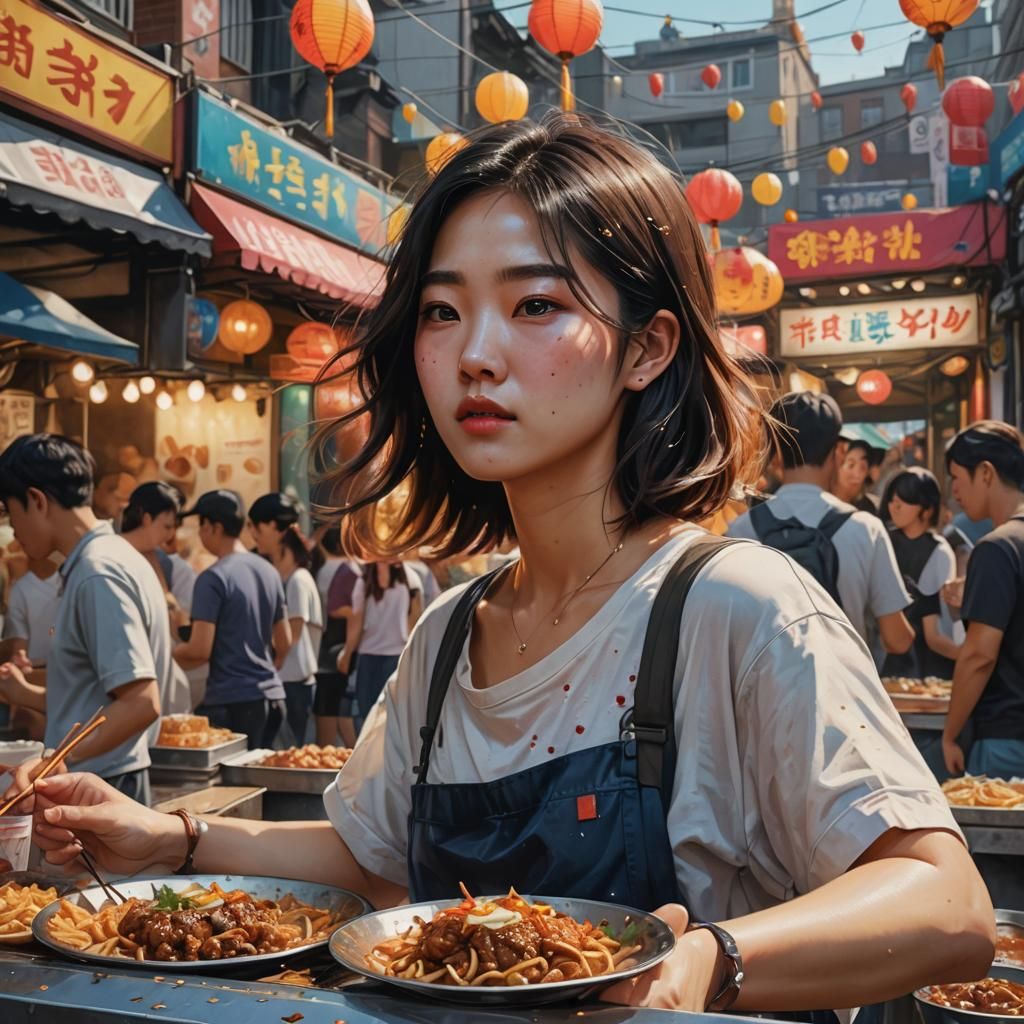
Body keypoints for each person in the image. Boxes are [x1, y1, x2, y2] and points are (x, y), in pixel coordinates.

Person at [16, 115, 992, 1014]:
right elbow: (371, 859)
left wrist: (710, 961)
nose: (475, 353)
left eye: (533, 303)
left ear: (648, 345)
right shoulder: (448, 636)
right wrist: (170, 840)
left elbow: (947, 907)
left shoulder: (735, 606)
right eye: (442, 313)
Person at [0, 434, 165, 804]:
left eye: (11, 514)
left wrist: (57, 758)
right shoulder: (109, 557)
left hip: (103, 783)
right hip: (106, 778)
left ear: (37, 501)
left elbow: (141, 702)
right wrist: (26, 693)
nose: (13, 530)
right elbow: (96, 700)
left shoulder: (97, 572)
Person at [727, 392, 915, 662]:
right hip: (844, 694)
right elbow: (897, 640)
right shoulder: (865, 529)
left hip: (767, 696)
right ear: (838, 451)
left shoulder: (740, 532)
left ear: (777, 452)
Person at [172, 490, 291, 750]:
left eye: (201, 526)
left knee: (234, 790)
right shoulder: (268, 570)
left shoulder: (213, 578)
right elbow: (285, 642)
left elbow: (199, 650)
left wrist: (166, 655)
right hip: (273, 698)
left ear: (214, 527)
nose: (201, 534)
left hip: (233, 703)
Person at [942, 422, 1024, 780]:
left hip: (1006, 740)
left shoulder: (997, 547)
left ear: (986, 473)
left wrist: (949, 733)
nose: (954, 490)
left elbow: (979, 655)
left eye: (957, 477)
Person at [249, 493, 323, 746]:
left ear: (273, 527)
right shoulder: (284, 577)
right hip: (288, 683)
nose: (252, 535)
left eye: (255, 527)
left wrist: (271, 662)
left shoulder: (298, 580)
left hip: (293, 685)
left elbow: (291, 636)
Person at [881, 468, 960, 681]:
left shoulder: (938, 551)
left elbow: (937, 631)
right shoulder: (881, 540)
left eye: (905, 500)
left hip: (927, 665)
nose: (894, 505)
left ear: (926, 510)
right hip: (883, 657)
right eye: (892, 498)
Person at [121, 482, 191, 717]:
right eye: (166, 526)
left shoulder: (162, 561)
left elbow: (176, 619)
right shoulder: (113, 556)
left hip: (160, 673)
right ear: (145, 517)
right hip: (127, 679)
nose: (170, 534)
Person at [337, 561, 422, 734]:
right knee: (367, 715)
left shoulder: (409, 577)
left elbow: (416, 619)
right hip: (370, 655)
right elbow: (357, 622)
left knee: (387, 715)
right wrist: (347, 653)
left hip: (395, 656)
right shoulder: (365, 580)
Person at [2, 555, 61, 740]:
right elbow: (20, 644)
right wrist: (19, 658)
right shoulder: (21, 590)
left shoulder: (72, 582)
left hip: (65, 676)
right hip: (36, 676)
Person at [314, 534, 360, 748]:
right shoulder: (354, 569)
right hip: (345, 651)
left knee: (331, 716)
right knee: (342, 714)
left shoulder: (342, 571)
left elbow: (345, 612)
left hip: (332, 652)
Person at [832, 439, 881, 516]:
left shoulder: (867, 509)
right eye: (851, 465)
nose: (856, 474)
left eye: (862, 468)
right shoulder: (822, 497)